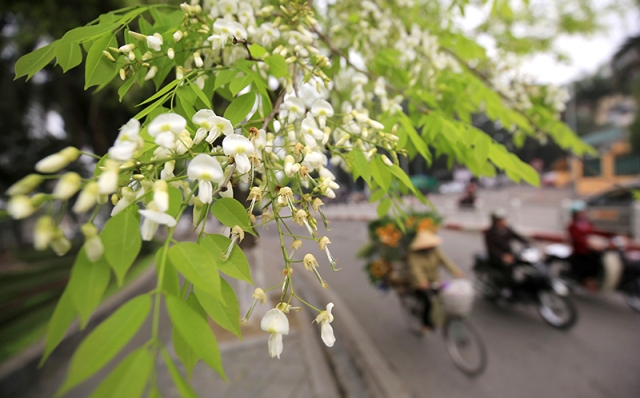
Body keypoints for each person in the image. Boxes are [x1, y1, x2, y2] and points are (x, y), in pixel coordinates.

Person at [407, 230, 464, 331]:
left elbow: (446, 261)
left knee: (444, 298)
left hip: (435, 282)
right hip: (419, 284)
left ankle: (440, 318)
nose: (429, 247)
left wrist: (456, 272)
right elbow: (416, 269)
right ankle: (426, 324)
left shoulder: (435, 251)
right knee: (428, 302)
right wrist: (422, 281)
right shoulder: (413, 255)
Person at [567, 201, 614, 291]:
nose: (582, 214)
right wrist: (591, 245)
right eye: (580, 213)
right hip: (581, 251)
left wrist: (610, 234)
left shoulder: (585, 223)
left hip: (588, 248)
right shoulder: (573, 226)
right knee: (594, 259)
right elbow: (578, 240)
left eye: (583, 212)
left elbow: (594, 232)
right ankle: (588, 280)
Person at [483, 209, 529, 288]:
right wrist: (503, 256)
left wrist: (529, 244)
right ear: (496, 221)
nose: (504, 221)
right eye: (502, 220)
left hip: (509, 254)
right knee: (508, 267)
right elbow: (492, 249)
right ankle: (506, 288)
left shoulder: (507, 229)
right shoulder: (490, 233)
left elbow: (518, 237)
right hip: (497, 257)